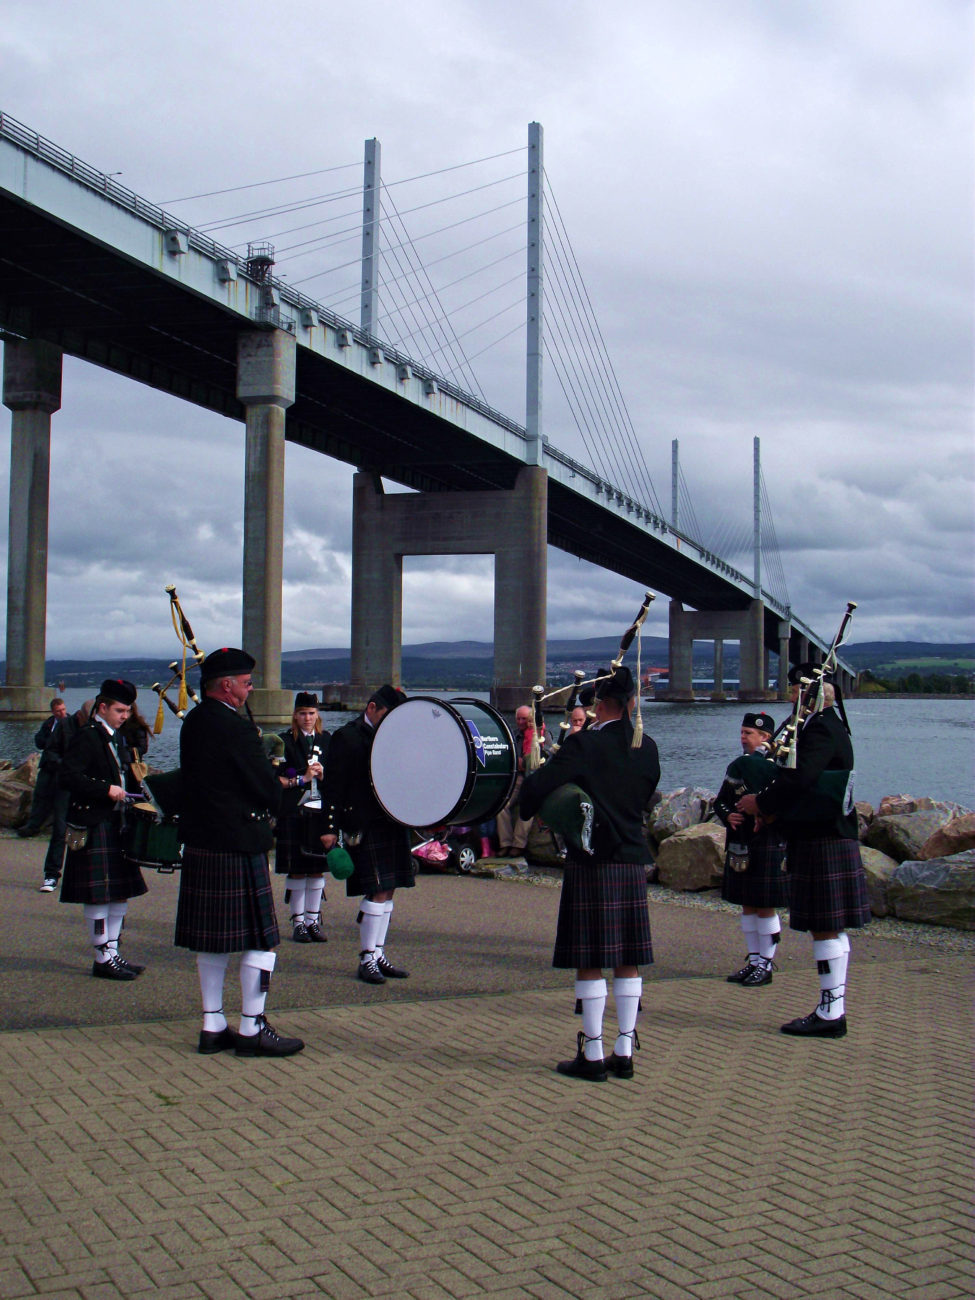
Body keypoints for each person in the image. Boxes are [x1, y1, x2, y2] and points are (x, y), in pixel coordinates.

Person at [519, 666, 661, 1082]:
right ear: (632, 704)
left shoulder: (584, 745)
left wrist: (535, 802)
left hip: (592, 858)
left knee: (591, 960)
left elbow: (539, 786)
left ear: (600, 706)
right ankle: (626, 1049)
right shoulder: (647, 747)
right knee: (628, 959)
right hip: (632, 858)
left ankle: (593, 1055)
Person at [175, 647, 303, 1057]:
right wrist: (283, 786)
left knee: (211, 942)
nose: (251, 688)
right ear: (226, 686)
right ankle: (251, 1028)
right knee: (260, 941)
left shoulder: (194, 722)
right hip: (239, 841)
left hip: (202, 840)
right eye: (246, 683)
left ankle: (212, 1025)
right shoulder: (236, 729)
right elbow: (264, 786)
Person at [737, 664, 870, 1039]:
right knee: (830, 929)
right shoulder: (824, 727)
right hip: (824, 834)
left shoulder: (822, 728)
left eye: (796, 689)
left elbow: (799, 778)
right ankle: (832, 1006)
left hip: (823, 836)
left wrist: (761, 803)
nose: (791, 695)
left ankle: (831, 1013)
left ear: (809, 694)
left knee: (826, 927)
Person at [321, 684, 413, 985]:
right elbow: (332, 786)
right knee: (376, 888)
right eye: (387, 715)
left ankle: (378, 952)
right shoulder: (347, 738)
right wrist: (329, 828)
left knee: (389, 888)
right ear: (371, 708)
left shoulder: (397, 738)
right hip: (364, 822)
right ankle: (366, 958)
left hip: (392, 819)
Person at [58, 679, 148, 980]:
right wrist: (105, 789)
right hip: (95, 822)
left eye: (128, 711)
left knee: (119, 894)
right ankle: (100, 957)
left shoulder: (118, 738)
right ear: (102, 707)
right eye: (120, 710)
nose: (125, 716)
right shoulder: (88, 737)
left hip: (117, 823)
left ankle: (112, 952)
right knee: (98, 896)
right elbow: (68, 776)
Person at [712, 712, 788, 987]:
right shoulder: (740, 767)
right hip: (741, 839)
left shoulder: (781, 765)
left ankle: (766, 965)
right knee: (747, 904)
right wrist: (729, 814)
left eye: (748, 733)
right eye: (742, 732)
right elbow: (720, 801)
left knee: (765, 905)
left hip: (767, 839)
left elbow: (784, 804)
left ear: (765, 737)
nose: (743, 737)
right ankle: (754, 961)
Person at [275, 692, 329, 943]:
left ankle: (313, 920)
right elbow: (277, 780)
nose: (307, 718)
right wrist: (303, 778)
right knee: (297, 869)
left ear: (317, 715)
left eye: (311, 713)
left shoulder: (326, 740)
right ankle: (298, 922)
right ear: (295, 716)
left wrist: (323, 774)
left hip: (319, 811)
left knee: (317, 869)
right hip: (294, 811)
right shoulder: (284, 742)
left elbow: (338, 777)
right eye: (302, 713)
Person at [19, 697, 80, 891]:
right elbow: (41, 743)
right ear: (52, 712)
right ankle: (32, 826)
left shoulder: (73, 726)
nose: (61, 713)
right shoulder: (49, 726)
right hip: (48, 773)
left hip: (64, 779)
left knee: (61, 826)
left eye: (63, 709)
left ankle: (54, 874)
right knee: (40, 802)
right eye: (58, 711)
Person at [496, 705, 545, 857]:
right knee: (501, 805)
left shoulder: (541, 735)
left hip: (533, 779)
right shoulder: (514, 736)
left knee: (528, 806)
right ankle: (505, 843)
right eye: (518, 718)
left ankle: (518, 844)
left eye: (525, 718)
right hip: (516, 777)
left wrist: (523, 762)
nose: (521, 721)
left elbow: (545, 756)